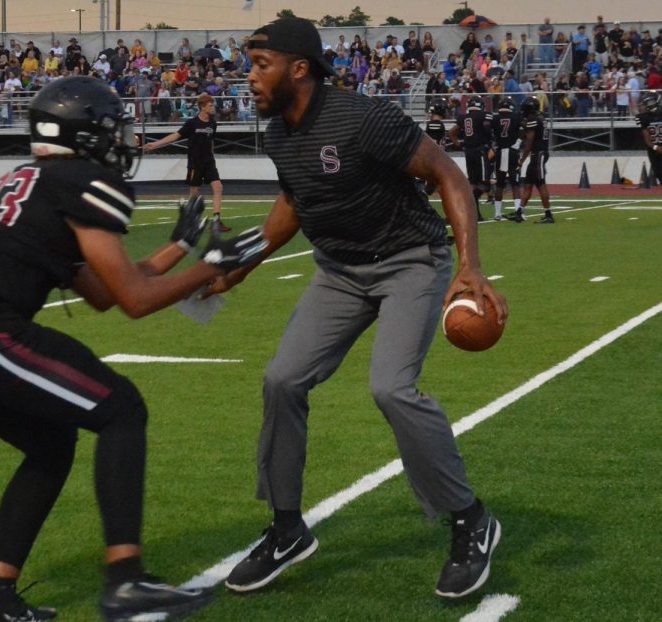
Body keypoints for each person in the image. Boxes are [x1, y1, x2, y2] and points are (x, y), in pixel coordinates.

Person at [0, 76, 266, 622]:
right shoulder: (83, 180)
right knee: (121, 409)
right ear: (87, 133)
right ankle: (125, 581)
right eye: (113, 128)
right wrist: (212, 267)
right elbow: (135, 301)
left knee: (51, 445)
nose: (121, 138)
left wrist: (181, 248)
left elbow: (103, 292)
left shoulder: (37, 180)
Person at [208, 17, 507, 600]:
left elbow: (448, 173)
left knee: (392, 387)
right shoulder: (277, 133)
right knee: (282, 380)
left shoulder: (362, 117)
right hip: (340, 270)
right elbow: (295, 201)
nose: (249, 77)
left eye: (260, 65)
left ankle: (470, 520)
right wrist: (243, 262)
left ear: (299, 69)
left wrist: (470, 264)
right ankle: (287, 527)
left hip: (409, 261)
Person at [144, 93, 231, 232]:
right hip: (195, 162)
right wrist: (156, 144)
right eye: (210, 105)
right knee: (194, 192)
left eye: (213, 105)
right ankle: (192, 221)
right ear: (202, 107)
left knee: (218, 187)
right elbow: (176, 136)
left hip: (209, 162)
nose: (213, 107)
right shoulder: (191, 123)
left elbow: (211, 142)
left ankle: (216, 221)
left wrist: (212, 156)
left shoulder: (213, 124)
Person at [448, 95, 492, 221]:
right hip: (480, 151)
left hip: (468, 151)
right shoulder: (484, 115)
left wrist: (458, 144)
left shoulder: (463, 117)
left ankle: (476, 215)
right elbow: (489, 128)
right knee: (485, 183)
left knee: (473, 183)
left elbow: (451, 133)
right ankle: (469, 199)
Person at [517, 96, 554, 224]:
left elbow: (529, 142)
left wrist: (521, 160)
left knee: (540, 184)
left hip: (538, 154)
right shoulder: (541, 117)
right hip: (539, 154)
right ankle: (519, 212)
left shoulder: (533, 119)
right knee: (528, 184)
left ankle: (548, 214)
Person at [490, 96, 523, 222]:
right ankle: (517, 211)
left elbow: (490, 133)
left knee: (500, 183)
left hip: (500, 151)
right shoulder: (516, 118)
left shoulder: (495, 119)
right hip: (512, 150)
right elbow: (525, 129)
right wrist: (519, 141)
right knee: (515, 182)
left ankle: (498, 213)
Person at [636, 91, 661, 186]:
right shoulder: (644, 117)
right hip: (654, 149)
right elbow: (646, 137)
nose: (648, 105)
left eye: (650, 102)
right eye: (646, 102)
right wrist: (655, 147)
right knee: (659, 173)